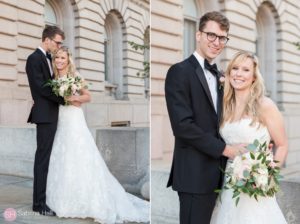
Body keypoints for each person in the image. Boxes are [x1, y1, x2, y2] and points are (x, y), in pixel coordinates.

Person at [45, 47, 149, 224]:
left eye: (62, 58)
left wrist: (73, 98)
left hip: (75, 119)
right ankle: (63, 200)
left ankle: (89, 199)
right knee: (63, 156)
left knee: (81, 154)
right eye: (56, 58)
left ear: (68, 59)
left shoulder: (75, 76)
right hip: (61, 119)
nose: (59, 61)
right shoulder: (53, 79)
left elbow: (88, 96)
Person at [165, 11, 246, 224]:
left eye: (222, 38)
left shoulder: (221, 76)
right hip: (194, 175)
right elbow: (183, 126)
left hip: (220, 175)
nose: (217, 42)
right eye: (211, 35)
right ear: (198, 35)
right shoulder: (179, 72)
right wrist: (226, 150)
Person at [210, 51, 288, 224]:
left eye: (245, 70)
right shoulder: (224, 106)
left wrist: (268, 174)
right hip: (229, 182)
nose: (238, 74)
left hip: (256, 185)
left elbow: (282, 145)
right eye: (235, 68)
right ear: (228, 73)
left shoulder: (265, 105)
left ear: (254, 76)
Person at [26, 25, 69, 216]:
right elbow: (41, 88)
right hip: (44, 116)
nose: (59, 45)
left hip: (52, 114)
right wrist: (64, 98)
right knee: (42, 160)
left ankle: (44, 198)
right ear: (47, 40)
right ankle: (39, 204)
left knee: (47, 159)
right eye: (58, 42)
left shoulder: (49, 59)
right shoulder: (34, 58)